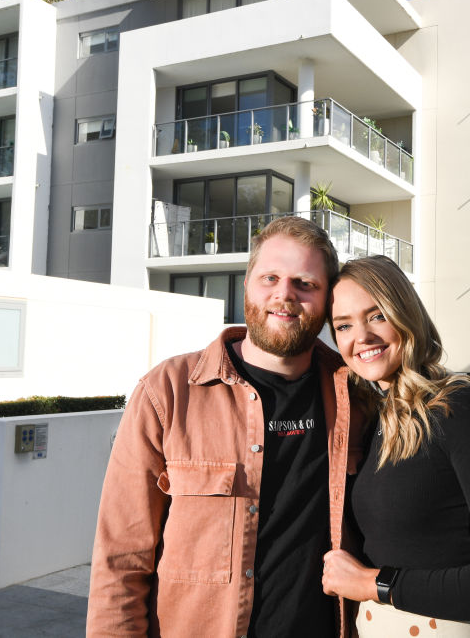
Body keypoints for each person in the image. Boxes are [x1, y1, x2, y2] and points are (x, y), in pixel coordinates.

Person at [87, 216, 364, 637]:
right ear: (247, 283)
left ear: (326, 300)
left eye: (305, 284)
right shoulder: (167, 392)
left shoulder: (355, 396)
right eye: (269, 277)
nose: (283, 295)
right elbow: (121, 557)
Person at [322, 255, 470, 637]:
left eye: (376, 316)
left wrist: (373, 583)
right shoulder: (378, 416)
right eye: (343, 325)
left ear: (405, 313)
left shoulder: (462, 406)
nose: (361, 337)